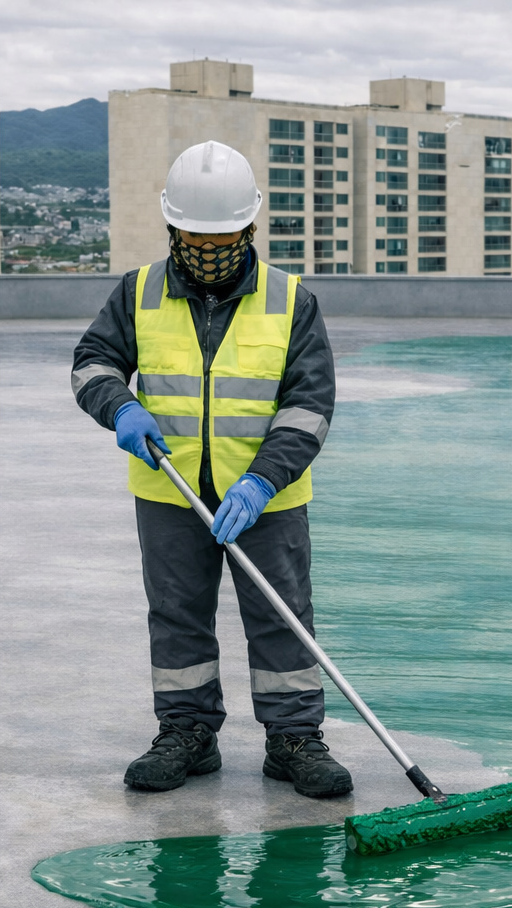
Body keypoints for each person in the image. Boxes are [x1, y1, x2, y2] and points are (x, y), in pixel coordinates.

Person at [70, 141, 351, 799]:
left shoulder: (290, 302)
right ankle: (187, 734)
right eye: (194, 237)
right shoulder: (137, 292)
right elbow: (92, 363)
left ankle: (294, 740)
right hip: (169, 490)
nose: (207, 248)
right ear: (172, 229)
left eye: (221, 236)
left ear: (249, 228)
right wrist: (120, 408)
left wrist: (262, 480)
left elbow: (309, 406)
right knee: (177, 616)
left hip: (266, 499)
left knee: (282, 616)